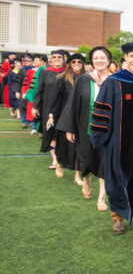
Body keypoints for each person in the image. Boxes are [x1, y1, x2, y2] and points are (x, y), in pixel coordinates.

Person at [90, 42, 133, 239]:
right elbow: (101, 110)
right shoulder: (113, 81)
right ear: (126, 59)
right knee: (116, 181)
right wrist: (101, 138)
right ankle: (117, 216)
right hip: (117, 142)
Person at [57, 47, 111, 210]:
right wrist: (69, 128)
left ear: (108, 61)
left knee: (104, 162)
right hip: (84, 126)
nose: (99, 61)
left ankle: (102, 197)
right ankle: (86, 181)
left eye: (103, 58)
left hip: (108, 129)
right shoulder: (84, 79)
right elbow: (72, 103)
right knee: (86, 157)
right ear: (92, 61)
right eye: (96, 58)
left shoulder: (115, 80)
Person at [47, 53, 85, 181]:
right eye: (73, 62)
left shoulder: (86, 79)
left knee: (79, 147)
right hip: (64, 117)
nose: (76, 65)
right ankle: (59, 165)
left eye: (79, 62)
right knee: (63, 145)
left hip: (80, 117)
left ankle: (77, 175)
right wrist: (51, 116)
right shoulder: (62, 78)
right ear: (69, 64)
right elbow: (55, 100)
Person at [32, 50, 66, 170]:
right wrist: (35, 106)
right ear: (51, 58)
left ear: (64, 58)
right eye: (54, 57)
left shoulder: (68, 72)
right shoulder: (45, 72)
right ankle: (55, 160)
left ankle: (63, 158)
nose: (56, 59)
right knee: (50, 132)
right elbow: (39, 90)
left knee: (61, 134)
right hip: (48, 108)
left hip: (64, 108)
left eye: (59, 57)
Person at [14, 53, 35, 128]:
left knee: (30, 107)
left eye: (29, 61)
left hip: (32, 92)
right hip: (22, 91)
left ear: (33, 61)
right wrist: (16, 91)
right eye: (26, 61)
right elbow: (17, 82)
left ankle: (30, 122)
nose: (28, 62)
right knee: (22, 106)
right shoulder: (22, 70)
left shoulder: (35, 70)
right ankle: (24, 122)